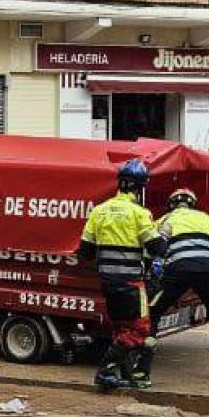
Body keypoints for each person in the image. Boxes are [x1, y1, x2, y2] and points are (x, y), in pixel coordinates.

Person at [79, 160, 165, 390]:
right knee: (139, 331)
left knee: (121, 330)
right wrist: (164, 237)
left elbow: (85, 252)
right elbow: (157, 248)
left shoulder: (99, 211)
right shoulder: (139, 213)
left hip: (108, 282)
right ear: (139, 188)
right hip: (131, 284)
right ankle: (105, 371)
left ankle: (126, 376)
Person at [148, 188, 209, 380]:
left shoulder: (164, 220)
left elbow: (153, 251)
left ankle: (141, 370)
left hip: (177, 271)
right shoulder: (205, 219)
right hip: (208, 271)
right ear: (193, 203)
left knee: (153, 312)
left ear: (171, 204)